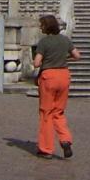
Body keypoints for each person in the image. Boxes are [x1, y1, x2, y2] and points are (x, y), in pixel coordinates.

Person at [33, 14, 80, 159]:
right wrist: (62, 58)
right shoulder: (65, 40)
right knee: (58, 111)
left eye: (41, 24)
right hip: (64, 75)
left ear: (47, 26)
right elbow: (77, 55)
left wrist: (47, 60)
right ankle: (65, 140)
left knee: (46, 113)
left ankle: (46, 148)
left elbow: (36, 63)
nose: (40, 27)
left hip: (49, 77)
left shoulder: (44, 42)